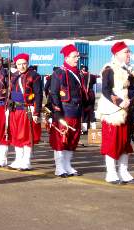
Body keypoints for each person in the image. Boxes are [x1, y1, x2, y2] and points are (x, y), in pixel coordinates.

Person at [96, 41, 134, 184]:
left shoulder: (129, 70)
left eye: (129, 52)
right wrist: (120, 101)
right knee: (112, 142)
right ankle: (111, 173)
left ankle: (124, 172)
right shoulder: (109, 69)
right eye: (126, 52)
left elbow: (133, 91)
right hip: (113, 113)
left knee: (125, 143)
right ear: (117, 54)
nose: (129, 54)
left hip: (127, 112)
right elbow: (106, 90)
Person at [49, 44, 86, 178]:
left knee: (72, 139)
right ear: (66, 57)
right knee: (61, 139)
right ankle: (59, 167)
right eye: (74, 56)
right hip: (64, 111)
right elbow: (53, 93)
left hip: (76, 111)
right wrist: (57, 112)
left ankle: (67, 165)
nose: (77, 59)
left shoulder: (79, 73)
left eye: (77, 56)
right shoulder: (59, 73)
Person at [8, 53, 43, 171]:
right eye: (19, 64)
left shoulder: (35, 75)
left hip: (27, 109)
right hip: (15, 109)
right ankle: (18, 159)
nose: (21, 66)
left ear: (27, 63)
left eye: (24, 64)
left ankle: (26, 161)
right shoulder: (13, 76)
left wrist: (37, 112)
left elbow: (38, 94)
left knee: (27, 136)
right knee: (16, 135)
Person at [80, 65, 98, 132]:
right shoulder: (92, 76)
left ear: (82, 70)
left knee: (84, 111)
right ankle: (93, 128)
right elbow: (94, 82)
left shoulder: (80, 76)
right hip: (91, 94)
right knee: (91, 110)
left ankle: (84, 129)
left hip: (83, 95)